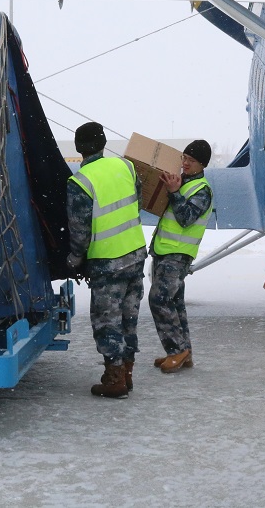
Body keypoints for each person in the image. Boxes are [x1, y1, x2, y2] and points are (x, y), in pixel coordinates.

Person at [67, 122, 147, 398]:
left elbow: (79, 230)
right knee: (128, 318)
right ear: (103, 143)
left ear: (79, 149)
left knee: (107, 321)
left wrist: (75, 259)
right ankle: (127, 372)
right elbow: (137, 201)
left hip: (107, 263)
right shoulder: (126, 167)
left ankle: (114, 380)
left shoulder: (80, 182)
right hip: (135, 255)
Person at [149, 140, 213, 373]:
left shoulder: (202, 190)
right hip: (164, 251)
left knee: (159, 299)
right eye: (184, 158)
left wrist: (174, 193)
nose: (185, 163)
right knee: (175, 304)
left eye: (192, 160)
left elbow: (186, 218)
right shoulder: (181, 182)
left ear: (202, 164)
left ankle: (177, 350)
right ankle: (183, 352)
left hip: (178, 254)